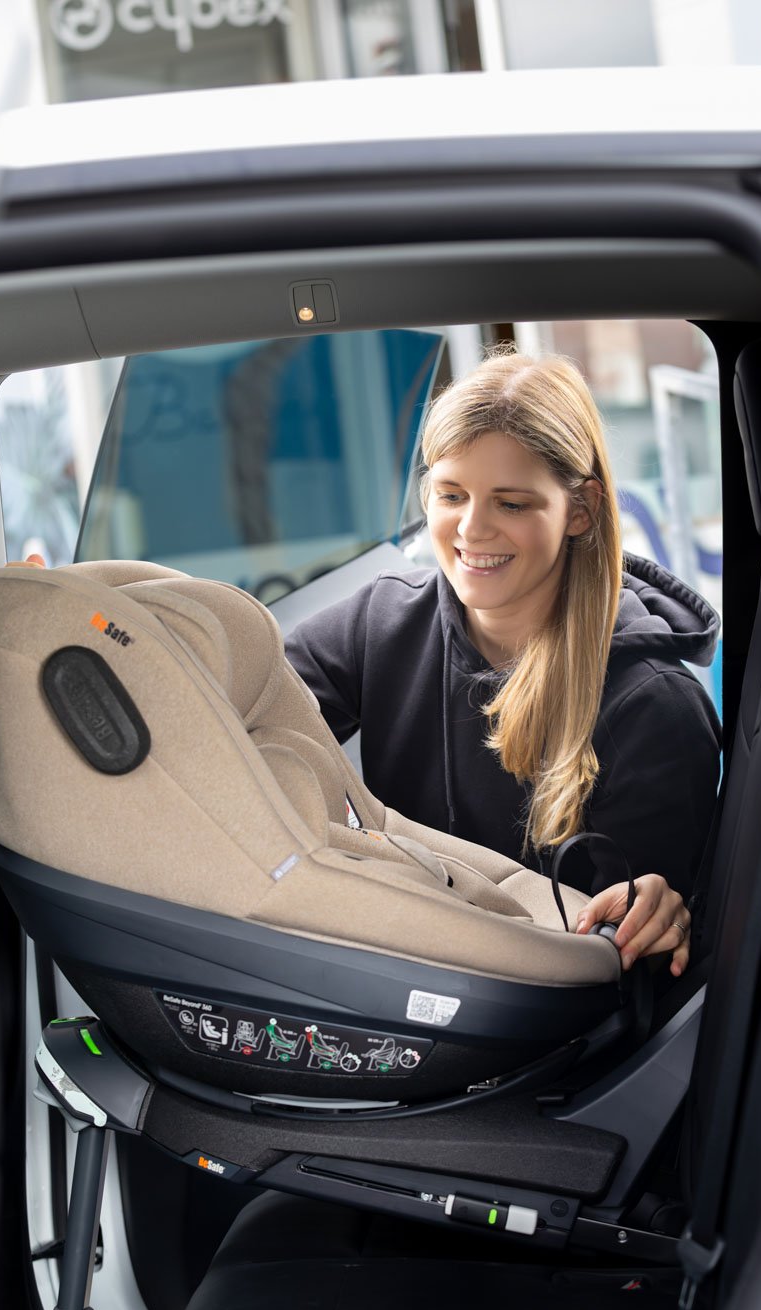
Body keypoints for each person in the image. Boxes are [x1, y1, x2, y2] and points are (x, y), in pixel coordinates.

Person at [286, 351, 722, 979]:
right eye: (451, 495)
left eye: (511, 504)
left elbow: (630, 967)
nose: (472, 528)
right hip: (390, 971)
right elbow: (254, 712)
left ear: (580, 509)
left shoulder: (653, 706)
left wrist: (652, 913)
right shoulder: (378, 622)